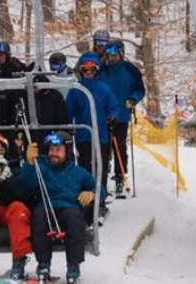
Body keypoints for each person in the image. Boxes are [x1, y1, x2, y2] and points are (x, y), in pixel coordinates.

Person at [17, 132, 95, 284]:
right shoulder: (41, 167)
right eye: (51, 149)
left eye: (58, 150)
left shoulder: (78, 172)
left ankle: (73, 265)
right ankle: (43, 265)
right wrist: (30, 164)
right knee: (39, 217)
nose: (54, 153)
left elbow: (98, 187)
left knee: (75, 219)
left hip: (69, 208)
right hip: (45, 207)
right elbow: (24, 185)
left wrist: (92, 193)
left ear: (67, 151)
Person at [65, 52, 117, 211]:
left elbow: (114, 106)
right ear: (81, 71)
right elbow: (69, 111)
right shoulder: (76, 89)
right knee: (85, 167)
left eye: (91, 70)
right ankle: (86, 200)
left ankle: (100, 199)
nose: (88, 73)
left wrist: (112, 116)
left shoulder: (104, 88)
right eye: (85, 70)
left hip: (100, 135)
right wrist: (67, 125)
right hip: (83, 136)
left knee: (100, 167)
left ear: (96, 70)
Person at [99, 39, 145, 195]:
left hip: (122, 115)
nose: (111, 57)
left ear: (121, 53)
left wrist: (133, 98)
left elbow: (140, 89)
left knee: (119, 147)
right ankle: (102, 179)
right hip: (104, 116)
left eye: (114, 53)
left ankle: (120, 177)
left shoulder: (130, 70)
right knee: (103, 148)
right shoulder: (102, 70)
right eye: (109, 53)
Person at [0, 41, 32, 134]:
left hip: (12, 107)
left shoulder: (15, 67)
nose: (0, 58)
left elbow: (27, 75)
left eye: (2, 55)